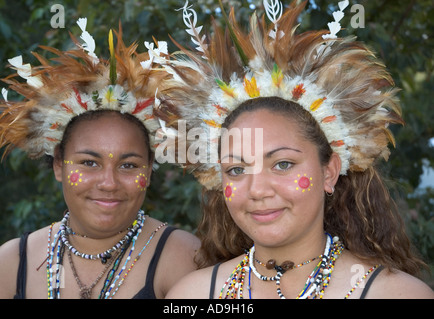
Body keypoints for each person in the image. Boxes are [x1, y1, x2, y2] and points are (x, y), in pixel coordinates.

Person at [155, 0, 434, 298]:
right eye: (236, 170)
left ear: (329, 172)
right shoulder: (191, 295)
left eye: (283, 164)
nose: (257, 190)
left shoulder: (397, 294)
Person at [0, 19, 199, 299]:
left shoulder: (182, 258)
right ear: (59, 164)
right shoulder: (11, 264)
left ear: (149, 169)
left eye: (128, 165)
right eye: (89, 162)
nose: (108, 183)